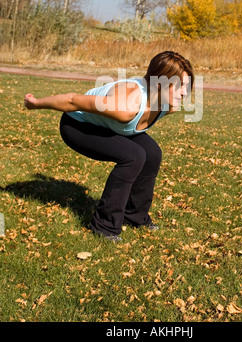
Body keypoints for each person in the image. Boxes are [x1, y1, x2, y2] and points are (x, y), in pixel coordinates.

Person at [24, 51, 194, 242]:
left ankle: (134, 216)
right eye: (179, 86)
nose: (184, 92)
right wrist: (35, 103)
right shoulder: (125, 106)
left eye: (186, 87)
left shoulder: (169, 105)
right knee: (134, 156)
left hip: (111, 126)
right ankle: (104, 226)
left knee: (152, 153)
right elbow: (72, 101)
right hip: (77, 125)